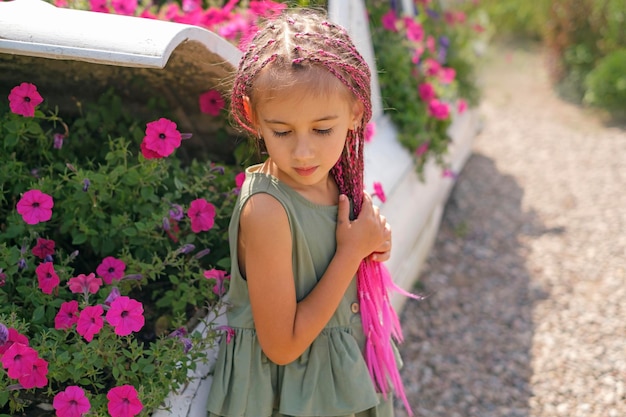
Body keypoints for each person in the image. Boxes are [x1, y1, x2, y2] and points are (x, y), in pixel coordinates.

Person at [207, 9, 416, 417]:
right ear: (253, 115)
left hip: (337, 383)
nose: (303, 152)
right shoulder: (267, 210)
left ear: (356, 111)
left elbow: (346, 250)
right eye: (282, 132)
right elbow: (282, 346)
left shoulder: (335, 180)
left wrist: (373, 241)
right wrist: (350, 253)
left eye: (322, 130)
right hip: (290, 398)